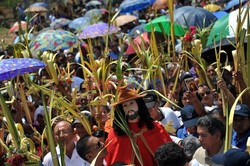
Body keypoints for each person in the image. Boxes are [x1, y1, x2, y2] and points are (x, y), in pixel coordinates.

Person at [105, 87, 172, 166]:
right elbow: (111, 159)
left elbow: (170, 155)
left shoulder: (155, 127)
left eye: (131, 103)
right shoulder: (115, 134)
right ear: (121, 110)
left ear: (138, 104)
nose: (129, 107)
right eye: (125, 105)